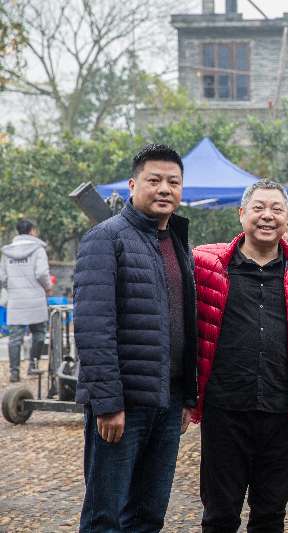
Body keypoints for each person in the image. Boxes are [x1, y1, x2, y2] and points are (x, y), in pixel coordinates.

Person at [74, 144, 197, 531]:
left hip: (168, 400)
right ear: (132, 185)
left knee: (148, 515)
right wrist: (108, 404)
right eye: (154, 180)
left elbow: (185, 322)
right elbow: (93, 328)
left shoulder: (177, 242)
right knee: (105, 516)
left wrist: (186, 397)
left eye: (173, 182)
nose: (164, 189)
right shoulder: (106, 238)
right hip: (123, 404)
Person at [192, 180, 288, 532]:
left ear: (287, 219)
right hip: (224, 409)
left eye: (276, 209)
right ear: (241, 213)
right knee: (220, 513)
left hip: (281, 411)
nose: (267, 216)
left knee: (270, 513)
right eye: (258, 207)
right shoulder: (208, 266)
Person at [0, 219, 51, 383]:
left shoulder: (7, 252)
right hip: (36, 299)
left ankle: (14, 373)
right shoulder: (38, 250)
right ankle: (33, 367)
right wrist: (48, 287)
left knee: (15, 338)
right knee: (39, 333)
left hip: (16, 301)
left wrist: (12, 288)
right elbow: (42, 273)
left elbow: (2, 278)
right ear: (32, 231)